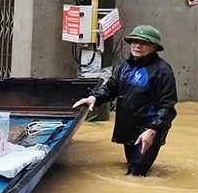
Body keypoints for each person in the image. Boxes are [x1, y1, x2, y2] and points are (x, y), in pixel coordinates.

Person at [73, 25, 177, 176]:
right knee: (132, 166)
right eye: (134, 41)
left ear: (154, 47)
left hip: (148, 131)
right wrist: (94, 97)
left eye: (143, 43)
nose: (137, 45)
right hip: (128, 129)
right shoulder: (125, 66)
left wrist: (153, 130)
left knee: (134, 176)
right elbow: (111, 87)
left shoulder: (163, 71)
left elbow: (167, 107)